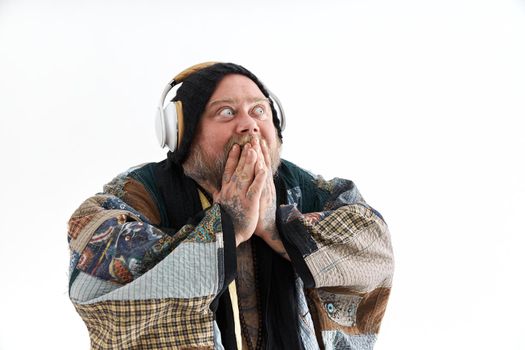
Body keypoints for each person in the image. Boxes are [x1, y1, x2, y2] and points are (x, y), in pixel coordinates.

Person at [67, 62, 394, 350]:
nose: (248, 125)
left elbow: (370, 240)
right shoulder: (145, 190)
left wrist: (278, 228)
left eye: (259, 111)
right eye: (226, 112)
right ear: (183, 132)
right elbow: (91, 246)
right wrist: (225, 226)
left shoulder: (299, 187)